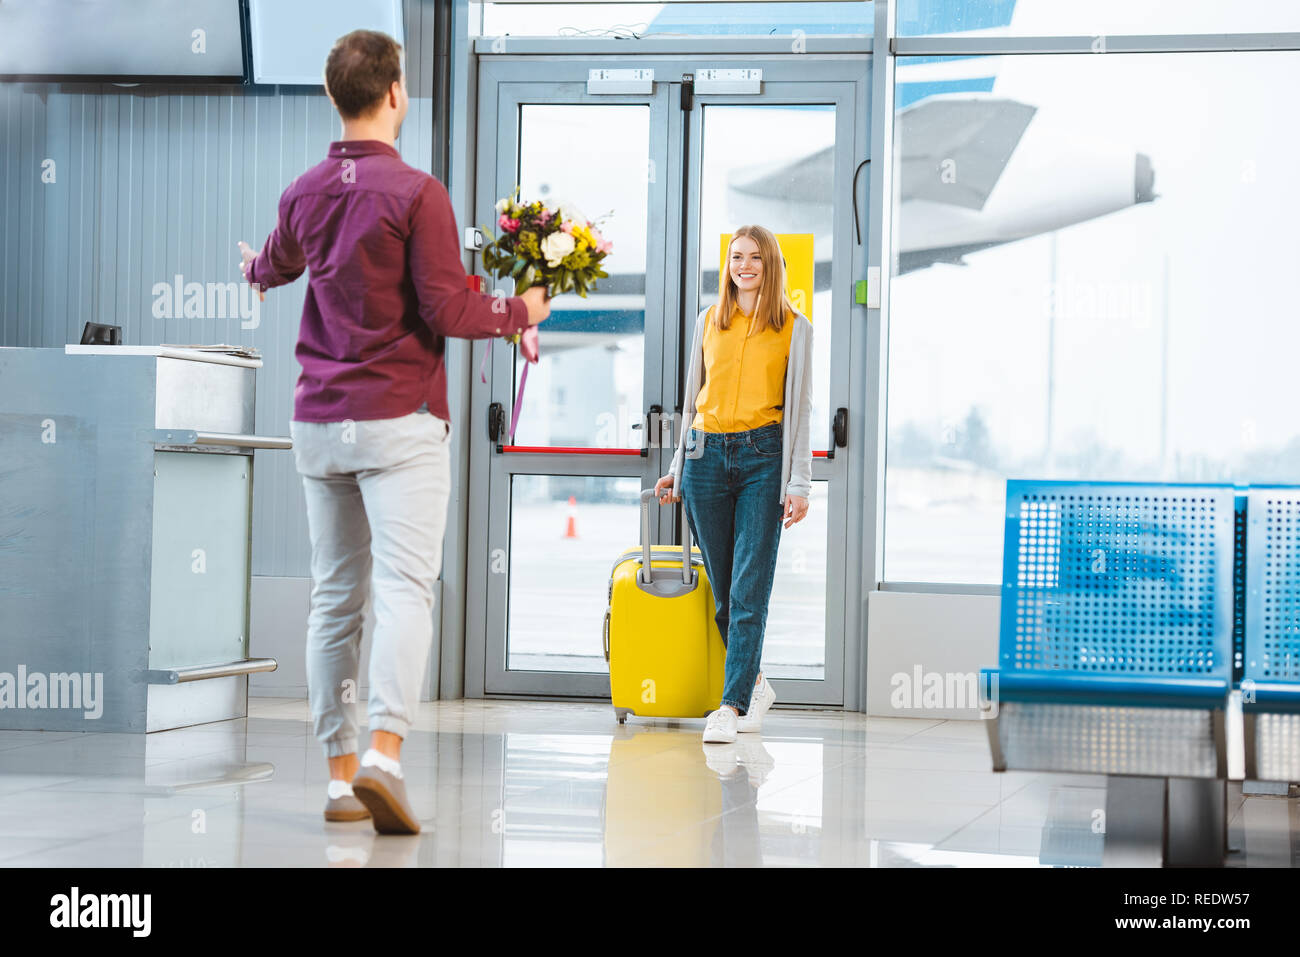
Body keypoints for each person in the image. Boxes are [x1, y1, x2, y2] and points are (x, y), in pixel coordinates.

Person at [237, 29, 550, 833]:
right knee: (405, 590)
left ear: (334, 98)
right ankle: (384, 753)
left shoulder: (305, 191)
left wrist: (252, 270)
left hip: (319, 421)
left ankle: (341, 779)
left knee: (335, 598)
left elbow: (274, 264)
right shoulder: (417, 192)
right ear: (396, 94)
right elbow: (447, 307)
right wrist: (521, 312)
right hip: (398, 421)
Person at [655, 224, 813, 745]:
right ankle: (756, 682)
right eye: (735, 257)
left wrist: (800, 483)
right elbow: (691, 399)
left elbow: (801, 408)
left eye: (755, 258)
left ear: (771, 264)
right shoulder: (709, 320)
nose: (743, 266)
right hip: (704, 456)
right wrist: (678, 465)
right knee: (725, 594)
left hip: (763, 457)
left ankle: (730, 704)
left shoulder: (795, 327)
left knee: (749, 589)